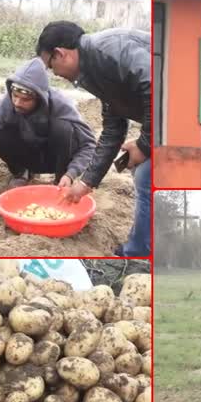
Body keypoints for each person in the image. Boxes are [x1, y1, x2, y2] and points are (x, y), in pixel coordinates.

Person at [36, 21, 151, 257]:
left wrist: (145, 145)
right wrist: (85, 183)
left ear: (60, 54)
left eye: (50, 66)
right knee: (143, 172)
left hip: (191, 111)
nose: (54, 73)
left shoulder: (110, 51)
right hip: (169, 118)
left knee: (147, 175)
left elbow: (156, 89)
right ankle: (141, 244)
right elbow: (112, 129)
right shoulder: (94, 71)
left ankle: (140, 250)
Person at [0, 58, 96, 197]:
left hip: (55, 158)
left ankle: (60, 181)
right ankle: (21, 173)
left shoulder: (60, 105)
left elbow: (89, 145)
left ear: (39, 98)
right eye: (14, 96)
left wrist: (71, 173)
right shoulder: (3, 106)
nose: (18, 103)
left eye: (25, 99)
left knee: (63, 127)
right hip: (27, 155)